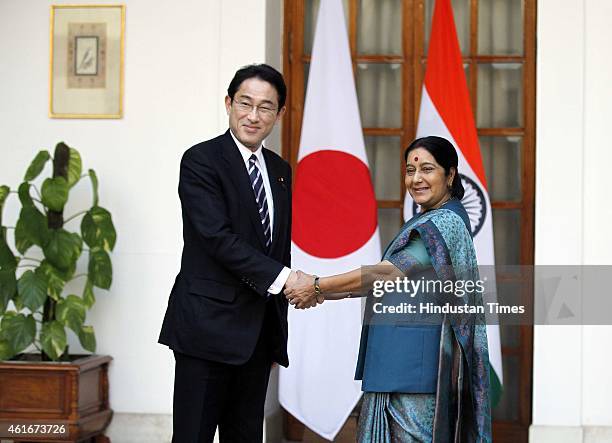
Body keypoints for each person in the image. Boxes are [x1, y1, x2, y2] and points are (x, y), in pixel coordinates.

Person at [285, 136, 492, 442]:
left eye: (427, 169)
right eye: (410, 170)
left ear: (450, 175)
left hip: (415, 372)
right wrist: (321, 293)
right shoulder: (428, 220)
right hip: (398, 362)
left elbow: (388, 274)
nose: (416, 178)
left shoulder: (443, 223)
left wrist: (317, 285)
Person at [159, 63, 304, 442]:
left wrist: (278, 321)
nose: (253, 116)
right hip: (206, 330)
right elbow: (217, 238)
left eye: (266, 107)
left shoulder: (280, 170)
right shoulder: (201, 161)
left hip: (256, 335)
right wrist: (288, 280)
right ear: (228, 103)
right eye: (245, 103)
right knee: (194, 436)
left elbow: (276, 246)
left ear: (280, 113)